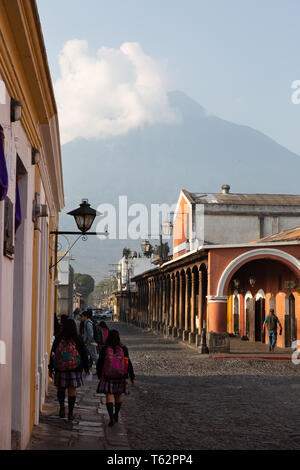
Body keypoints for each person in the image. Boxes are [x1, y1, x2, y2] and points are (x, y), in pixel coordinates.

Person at [49, 318, 90, 420]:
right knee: (72, 391)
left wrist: (51, 368)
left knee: (61, 389)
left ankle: (62, 406)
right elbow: (84, 354)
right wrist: (87, 368)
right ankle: (70, 413)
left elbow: (53, 353)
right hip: (74, 369)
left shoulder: (59, 338)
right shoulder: (77, 338)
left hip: (60, 369)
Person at [96, 329, 136, 427]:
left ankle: (111, 418)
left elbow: (100, 363)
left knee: (109, 396)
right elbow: (128, 363)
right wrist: (132, 377)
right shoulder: (123, 348)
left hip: (108, 376)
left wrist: (99, 374)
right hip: (120, 376)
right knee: (118, 396)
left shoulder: (105, 348)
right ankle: (116, 415)